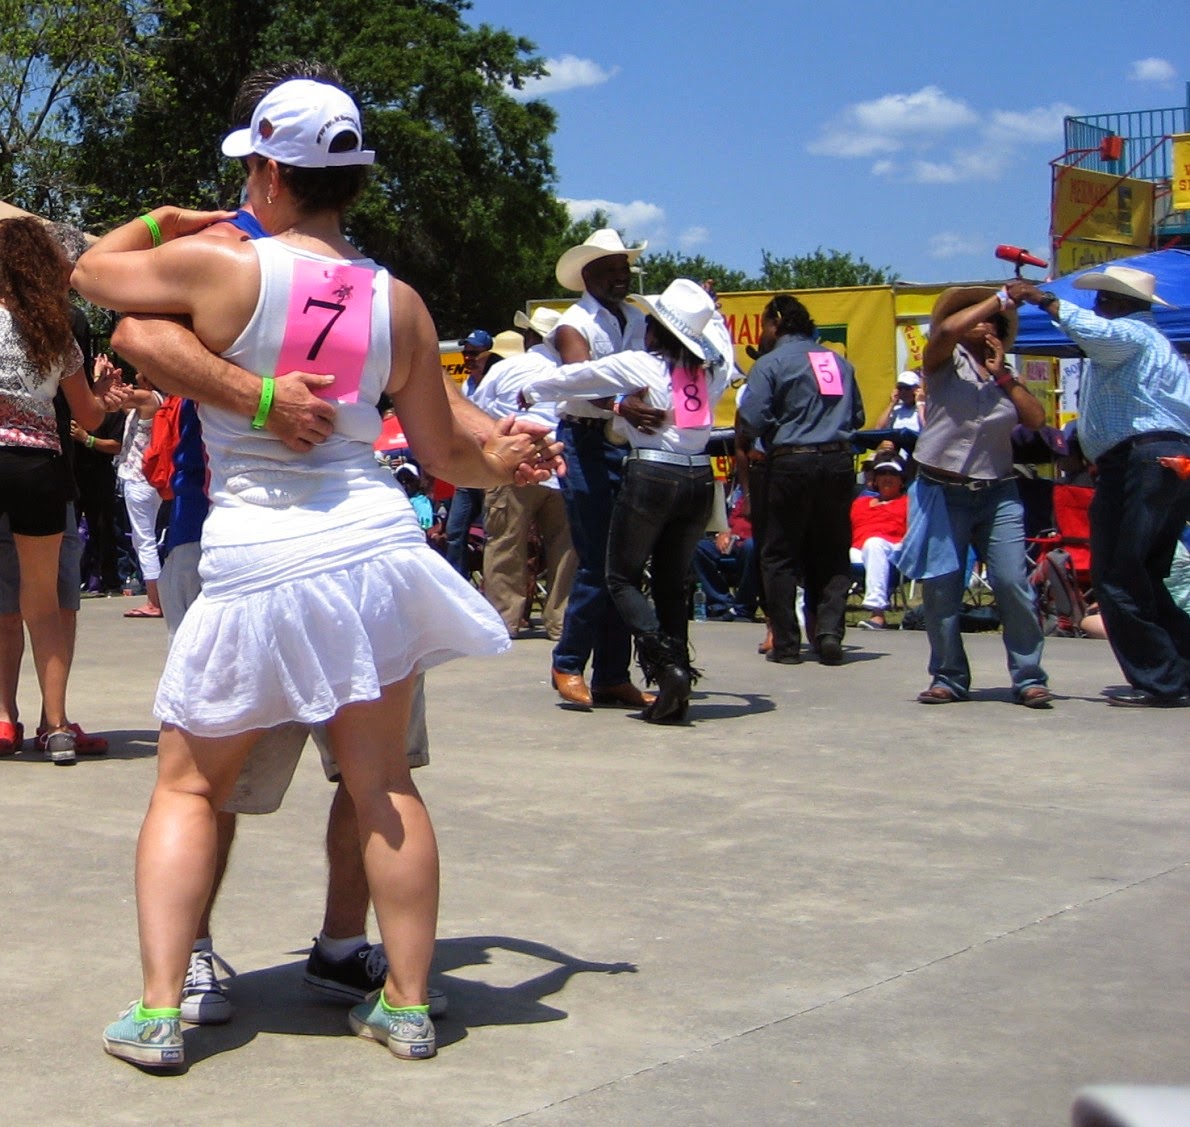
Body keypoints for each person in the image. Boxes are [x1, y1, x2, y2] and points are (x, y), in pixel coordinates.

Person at [73, 77, 550, 1068]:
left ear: (263, 169)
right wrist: (499, 458)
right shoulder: (400, 301)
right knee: (384, 782)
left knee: (189, 788)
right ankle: (407, 1006)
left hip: (258, 553)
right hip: (378, 546)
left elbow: (91, 275)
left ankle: (160, 1013)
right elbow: (441, 453)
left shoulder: (221, 266)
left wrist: (164, 215)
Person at [522, 279, 729, 722]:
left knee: (619, 577)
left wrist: (531, 391)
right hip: (698, 477)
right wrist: (713, 315)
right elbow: (724, 347)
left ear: (658, 332)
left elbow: (574, 378)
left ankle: (664, 664)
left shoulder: (641, 364)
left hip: (652, 473)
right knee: (674, 584)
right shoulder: (713, 371)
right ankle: (677, 682)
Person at [1009, 267, 1190, 708]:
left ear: (1115, 304)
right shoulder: (1154, 343)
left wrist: (1044, 300)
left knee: (1118, 575)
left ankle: (1161, 678)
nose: (1095, 310)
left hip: (1139, 459)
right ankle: (1176, 664)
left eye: (1101, 302)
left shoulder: (1130, 334)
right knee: (1142, 573)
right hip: (1157, 458)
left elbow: (1093, 330)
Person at [0, 217, 124, 763]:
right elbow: (91, 417)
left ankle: (2, 721)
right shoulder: (56, 331)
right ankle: (56, 728)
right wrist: (100, 392)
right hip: (38, 467)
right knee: (43, 601)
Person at [901, 286, 1052, 708]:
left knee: (1011, 582)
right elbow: (947, 328)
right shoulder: (943, 361)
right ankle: (948, 676)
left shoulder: (1003, 372)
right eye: (975, 316)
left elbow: (1036, 419)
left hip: (997, 491)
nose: (984, 323)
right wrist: (1002, 297)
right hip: (942, 491)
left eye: (992, 320)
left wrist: (1003, 373)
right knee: (943, 589)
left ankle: (1028, 676)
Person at [546, 228, 656, 710]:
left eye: (623, 269)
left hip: (627, 444)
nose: (619, 277)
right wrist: (620, 404)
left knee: (624, 565)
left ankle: (613, 674)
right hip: (585, 440)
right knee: (595, 559)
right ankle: (567, 662)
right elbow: (582, 379)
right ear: (587, 275)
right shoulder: (574, 324)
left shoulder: (637, 318)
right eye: (609, 270)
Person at [737, 295, 865, 666]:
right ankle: (828, 633)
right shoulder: (836, 362)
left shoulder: (771, 363)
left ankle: (788, 643)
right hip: (838, 461)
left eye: (764, 326)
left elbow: (752, 419)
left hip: (791, 463)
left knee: (778, 554)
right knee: (832, 549)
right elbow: (857, 416)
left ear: (775, 324)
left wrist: (784, 425)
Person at [472, 315, 576, 640]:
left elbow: (478, 413)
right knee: (566, 548)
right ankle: (562, 622)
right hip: (561, 465)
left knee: (505, 544)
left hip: (512, 466)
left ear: (529, 336)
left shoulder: (507, 369)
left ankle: (505, 622)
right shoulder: (572, 372)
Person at [113, 370, 165, 617]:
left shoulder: (148, 398)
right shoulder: (153, 400)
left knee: (144, 540)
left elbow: (112, 402)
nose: (136, 373)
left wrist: (100, 377)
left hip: (139, 479)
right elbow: (122, 407)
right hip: (147, 480)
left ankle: (155, 601)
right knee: (144, 538)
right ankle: (157, 596)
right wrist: (113, 382)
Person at [443, 328, 495, 577]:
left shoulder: (496, 379)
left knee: (494, 534)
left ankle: (490, 586)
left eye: (474, 352)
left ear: (487, 354)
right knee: (455, 531)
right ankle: (460, 585)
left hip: (492, 467)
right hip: (468, 467)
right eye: (466, 353)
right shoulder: (465, 385)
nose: (467, 357)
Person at [849, 458, 908, 630]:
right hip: (858, 549)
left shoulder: (907, 502)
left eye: (893, 474)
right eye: (882, 473)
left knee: (874, 544)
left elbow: (914, 532)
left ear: (901, 480)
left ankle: (877, 614)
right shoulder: (860, 503)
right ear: (875, 480)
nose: (887, 477)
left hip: (895, 548)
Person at [691, 486, 758, 622]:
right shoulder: (733, 489)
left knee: (751, 547)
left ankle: (742, 608)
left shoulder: (761, 487)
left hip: (752, 542)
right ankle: (721, 604)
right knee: (698, 548)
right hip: (732, 540)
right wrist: (723, 530)